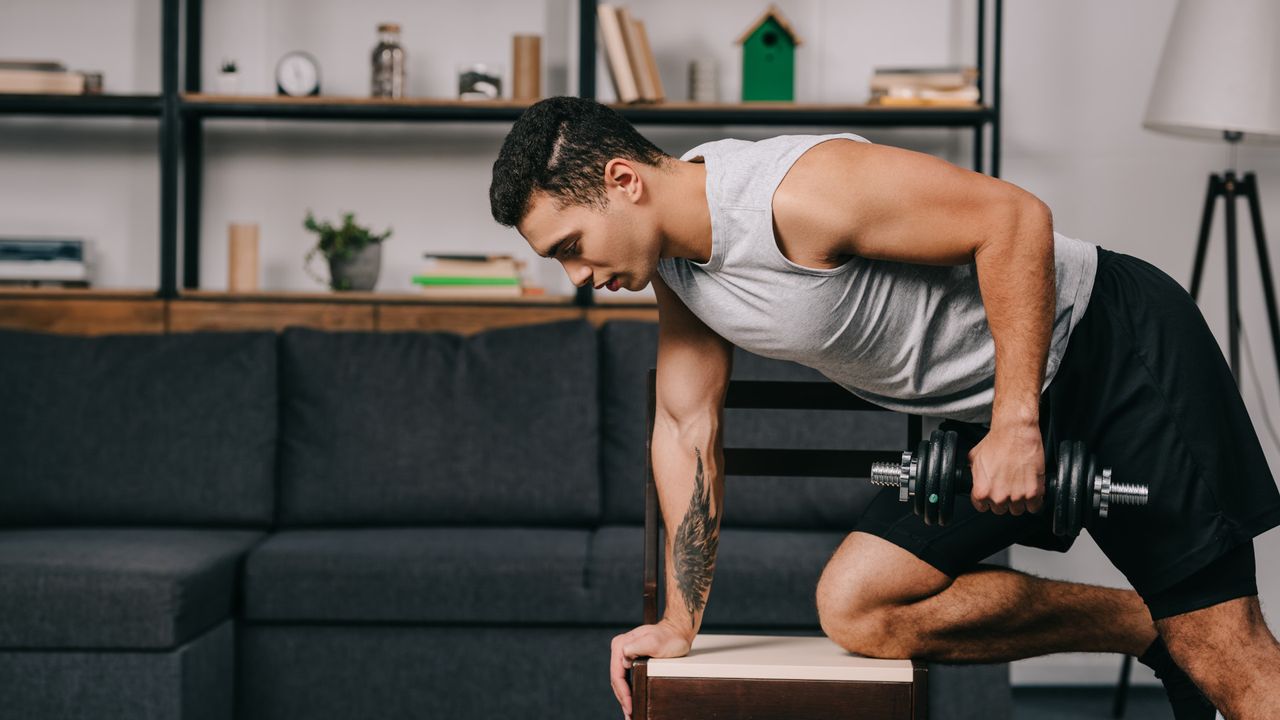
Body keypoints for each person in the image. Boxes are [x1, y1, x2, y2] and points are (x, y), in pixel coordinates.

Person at [488, 96, 1280, 720]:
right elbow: (686, 424)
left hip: (1114, 347)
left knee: (1232, 663)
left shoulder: (799, 191)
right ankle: (1147, 627)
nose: (578, 276)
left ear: (624, 181)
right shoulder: (682, 271)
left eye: (570, 246)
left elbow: (1015, 219)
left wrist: (1014, 427)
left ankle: (1190, 634)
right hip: (998, 400)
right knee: (861, 607)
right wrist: (679, 621)